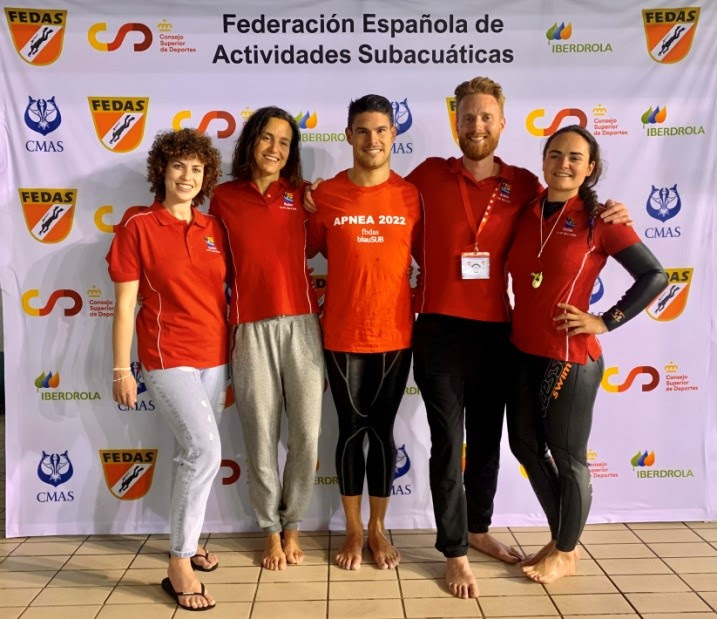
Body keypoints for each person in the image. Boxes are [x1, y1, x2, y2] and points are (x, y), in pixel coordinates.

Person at [405, 76, 632, 599]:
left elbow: (572, 207)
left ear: (502, 123)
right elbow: (379, 197)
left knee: (488, 442)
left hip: (499, 332)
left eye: (486, 117)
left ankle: (479, 528)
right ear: (455, 122)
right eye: (467, 116)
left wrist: (609, 210)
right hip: (438, 327)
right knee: (448, 443)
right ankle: (455, 550)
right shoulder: (426, 176)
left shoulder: (526, 183)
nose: (476, 125)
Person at [505, 125, 667, 584]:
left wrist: (605, 320)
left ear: (590, 168)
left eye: (576, 157)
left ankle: (566, 547)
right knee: (524, 445)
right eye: (555, 154)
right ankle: (563, 536)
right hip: (521, 350)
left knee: (568, 454)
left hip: (570, 356)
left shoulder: (602, 219)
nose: (564, 163)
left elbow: (654, 276)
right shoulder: (529, 209)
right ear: (543, 161)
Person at [108, 128, 228, 611]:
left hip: (215, 355)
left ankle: (191, 539)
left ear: (206, 177)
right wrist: (122, 369)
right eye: (179, 166)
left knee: (191, 455)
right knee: (203, 451)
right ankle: (179, 562)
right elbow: (124, 306)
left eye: (197, 168)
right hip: (166, 355)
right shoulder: (138, 225)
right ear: (162, 170)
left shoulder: (212, 227)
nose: (188, 176)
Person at [307, 94, 421, 571]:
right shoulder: (327, 195)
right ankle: (352, 531)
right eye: (362, 130)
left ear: (393, 135)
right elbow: (297, 248)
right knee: (351, 432)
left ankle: (378, 530)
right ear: (348, 135)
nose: (372, 139)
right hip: (342, 334)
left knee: (384, 431)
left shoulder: (412, 195)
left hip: (395, 335)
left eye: (381, 130)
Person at [209, 107, 324, 570]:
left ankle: (293, 522)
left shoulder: (302, 196)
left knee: (307, 435)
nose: (275, 149)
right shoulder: (223, 198)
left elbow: (328, 247)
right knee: (259, 435)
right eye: (267, 138)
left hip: (301, 325)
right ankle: (271, 532)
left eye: (284, 142)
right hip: (249, 327)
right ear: (250, 142)